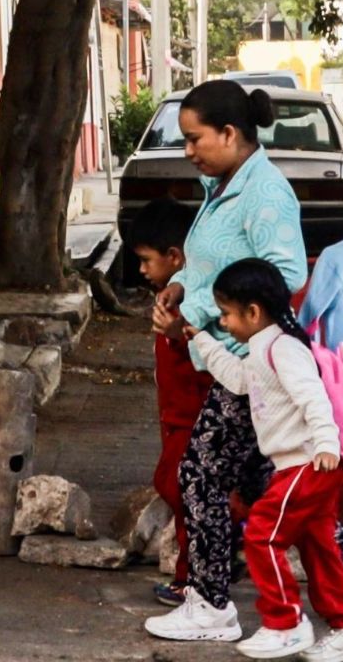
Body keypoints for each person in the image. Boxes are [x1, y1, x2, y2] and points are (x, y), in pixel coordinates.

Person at [143, 80, 343, 643]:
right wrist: (182, 287)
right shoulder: (221, 183)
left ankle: (211, 603)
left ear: (230, 133)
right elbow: (214, 261)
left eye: (194, 138)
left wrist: (201, 310)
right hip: (231, 357)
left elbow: (284, 273)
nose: (187, 150)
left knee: (200, 475)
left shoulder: (266, 194)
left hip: (254, 358)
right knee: (262, 480)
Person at [187, 259, 343, 661]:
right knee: (318, 547)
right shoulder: (262, 349)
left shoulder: (284, 348)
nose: (225, 322)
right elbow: (238, 379)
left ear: (253, 312)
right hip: (300, 465)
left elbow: (313, 397)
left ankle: (285, 623)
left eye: (227, 314)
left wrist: (326, 443)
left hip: (309, 463)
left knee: (261, 535)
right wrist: (203, 341)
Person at [125, 198, 215, 607]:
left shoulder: (191, 306)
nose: (142, 270)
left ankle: (191, 580)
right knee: (175, 485)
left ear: (175, 256)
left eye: (146, 260)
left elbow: (204, 359)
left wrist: (180, 335)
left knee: (183, 490)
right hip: (174, 415)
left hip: (192, 416)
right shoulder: (168, 298)